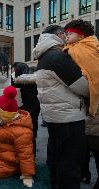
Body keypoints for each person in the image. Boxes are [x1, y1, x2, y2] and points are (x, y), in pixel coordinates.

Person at [32, 25, 89, 189]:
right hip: (69, 118)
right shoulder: (57, 56)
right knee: (70, 164)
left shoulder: (44, 57)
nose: (66, 38)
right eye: (65, 34)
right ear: (58, 34)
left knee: (56, 158)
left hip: (54, 116)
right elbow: (83, 87)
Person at [64, 19, 99, 189]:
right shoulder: (93, 45)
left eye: (70, 33)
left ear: (82, 34)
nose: (66, 36)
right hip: (92, 104)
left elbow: (90, 77)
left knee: (93, 144)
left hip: (93, 105)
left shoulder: (79, 49)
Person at [11, 62, 40, 155]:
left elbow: (16, 101)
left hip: (21, 114)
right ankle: (32, 157)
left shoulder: (16, 84)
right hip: (33, 112)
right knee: (32, 136)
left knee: (20, 137)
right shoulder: (35, 82)